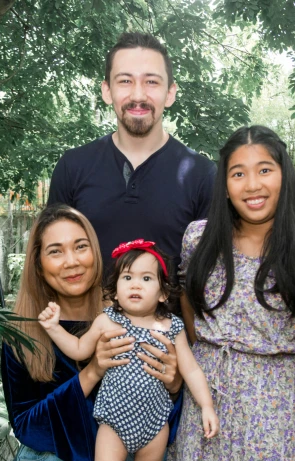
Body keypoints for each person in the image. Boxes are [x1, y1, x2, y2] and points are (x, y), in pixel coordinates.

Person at [166, 126, 295, 461]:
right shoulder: (199, 240)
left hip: (275, 423)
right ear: (224, 184)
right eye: (238, 173)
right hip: (205, 415)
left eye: (264, 170)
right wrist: (205, 358)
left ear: (284, 175)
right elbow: (187, 302)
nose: (252, 185)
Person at [2, 205, 183, 461]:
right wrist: (93, 371)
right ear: (39, 264)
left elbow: (170, 421)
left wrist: (174, 385)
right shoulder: (24, 332)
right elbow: (27, 425)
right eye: (55, 251)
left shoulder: (140, 313)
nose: (71, 261)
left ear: (95, 253)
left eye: (80, 247)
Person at [38, 239, 219, 461]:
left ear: (162, 293)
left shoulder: (172, 327)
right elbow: (78, 349)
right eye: (127, 277)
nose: (135, 285)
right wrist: (53, 328)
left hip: (155, 421)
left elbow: (192, 370)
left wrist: (207, 405)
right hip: (114, 419)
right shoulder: (107, 320)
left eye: (146, 278)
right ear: (116, 288)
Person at [47, 31, 216, 277]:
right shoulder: (72, 167)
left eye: (152, 82)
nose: (138, 96)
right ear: (107, 91)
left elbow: (208, 278)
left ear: (170, 93)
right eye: (125, 81)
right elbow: (52, 260)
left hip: (173, 316)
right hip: (85, 316)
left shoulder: (202, 175)